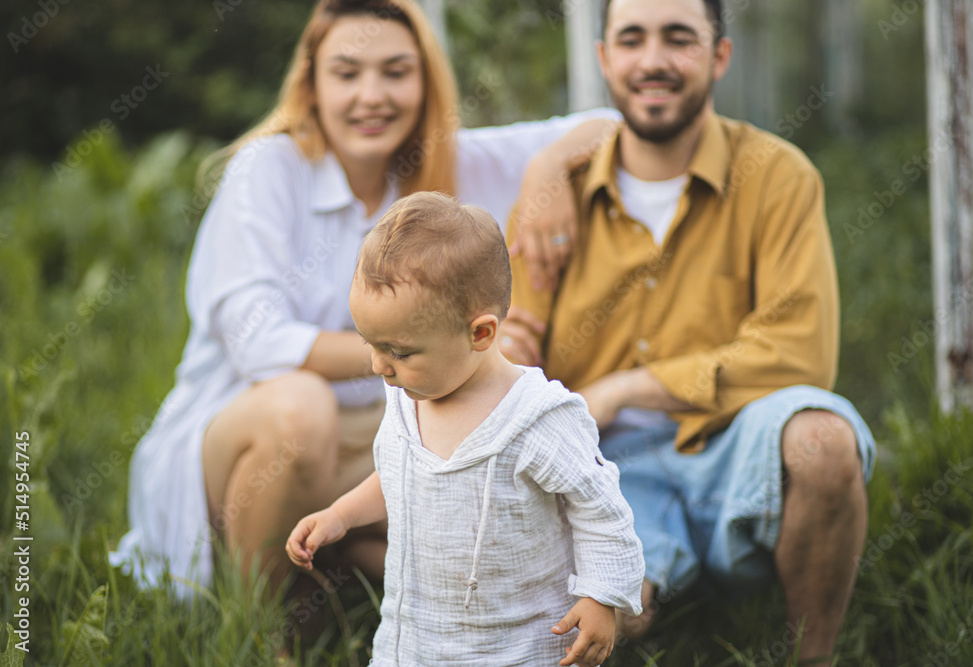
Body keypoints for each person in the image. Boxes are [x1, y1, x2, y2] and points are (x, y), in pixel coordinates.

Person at [109, 0, 620, 602]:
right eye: (347, 73)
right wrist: (431, 348)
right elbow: (260, 342)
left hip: (379, 437)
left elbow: (610, 123)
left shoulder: (445, 163)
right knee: (303, 408)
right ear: (313, 84)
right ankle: (257, 630)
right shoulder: (270, 169)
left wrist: (549, 168)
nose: (372, 94)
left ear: (425, 82)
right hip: (249, 438)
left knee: (487, 424)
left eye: (396, 72)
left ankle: (362, 575)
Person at [499, 0, 877, 664]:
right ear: (604, 59)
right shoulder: (552, 197)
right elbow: (508, 351)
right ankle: (647, 583)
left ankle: (812, 656)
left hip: (732, 439)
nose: (653, 61)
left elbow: (800, 349)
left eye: (679, 38)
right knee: (603, 625)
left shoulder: (779, 176)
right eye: (633, 39)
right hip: (604, 465)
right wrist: (507, 359)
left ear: (718, 56)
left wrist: (624, 388)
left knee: (823, 437)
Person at [285, 192, 644, 667]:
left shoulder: (537, 419)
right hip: (416, 637)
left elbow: (600, 511)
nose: (378, 366)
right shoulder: (408, 399)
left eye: (400, 351)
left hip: (519, 641)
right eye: (370, 344)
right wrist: (341, 515)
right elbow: (400, 475)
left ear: (481, 334)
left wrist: (601, 597)